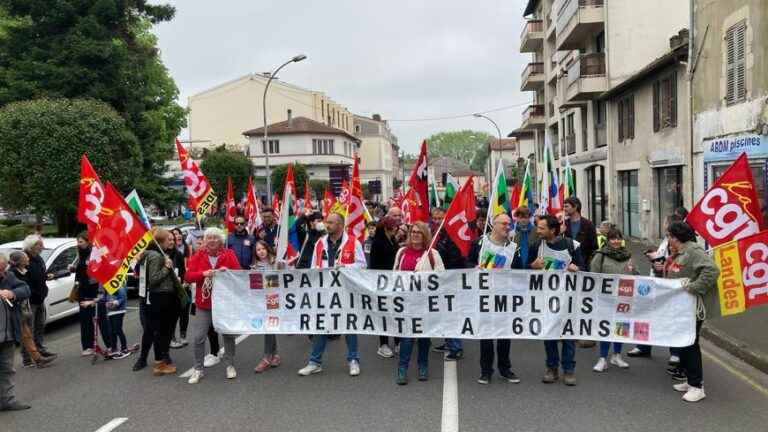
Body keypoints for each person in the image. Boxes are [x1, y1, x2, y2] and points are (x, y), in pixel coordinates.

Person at [298, 212, 366, 377]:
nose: (327, 225)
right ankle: (315, 362)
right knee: (321, 325)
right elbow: (314, 266)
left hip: (345, 291)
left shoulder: (353, 242)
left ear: (341, 225)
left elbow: (362, 266)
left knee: (350, 326)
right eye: (326, 222)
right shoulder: (320, 243)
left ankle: (353, 360)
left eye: (331, 222)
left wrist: (345, 268)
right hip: (326, 291)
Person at [665, 222, 719, 403]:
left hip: (691, 308)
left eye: (669, 235)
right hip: (682, 308)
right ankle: (690, 380)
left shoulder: (693, 251)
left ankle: (697, 386)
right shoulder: (681, 252)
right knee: (683, 343)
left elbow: (712, 270)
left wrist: (694, 288)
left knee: (690, 344)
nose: (667, 239)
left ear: (675, 237)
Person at [468, 214, 521, 385]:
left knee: (504, 334)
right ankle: (486, 371)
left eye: (509, 224)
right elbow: (466, 263)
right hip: (483, 296)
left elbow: (520, 271)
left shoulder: (513, 248)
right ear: (494, 225)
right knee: (486, 334)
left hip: (505, 297)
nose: (507, 226)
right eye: (504, 223)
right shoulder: (479, 244)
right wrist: (474, 268)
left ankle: (505, 369)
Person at [530, 214, 584, 386]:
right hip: (547, 298)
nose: (537, 230)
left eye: (541, 228)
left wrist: (577, 268)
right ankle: (551, 368)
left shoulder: (571, 245)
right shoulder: (536, 245)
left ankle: (568, 370)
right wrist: (533, 266)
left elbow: (583, 268)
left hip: (568, 298)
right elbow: (524, 270)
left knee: (568, 334)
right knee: (550, 333)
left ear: (552, 230)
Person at [185, 228, 241, 384]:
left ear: (221, 240)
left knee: (228, 335)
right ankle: (198, 369)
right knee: (198, 337)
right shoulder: (198, 256)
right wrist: (203, 274)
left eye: (215, 238)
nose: (211, 240)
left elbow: (238, 273)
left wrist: (227, 272)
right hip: (204, 303)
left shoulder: (229, 254)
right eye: (208, 238)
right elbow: (188, 276)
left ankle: (230, 365)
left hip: (224, 302)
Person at [628, 213, 684, 365]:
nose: (663, 225)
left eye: (665, 223)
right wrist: (654, 260)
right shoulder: (665, 241)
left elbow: (680, 263)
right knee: (647, 315)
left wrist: (663, 264)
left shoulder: (680, 243)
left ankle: (675, 353)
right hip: (656, 282)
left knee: (671, 319)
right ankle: (643, 346)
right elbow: (661, 258)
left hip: (669, 286)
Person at [394, 221, 443, 385]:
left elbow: (441, 278)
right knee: (407, 338)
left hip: (425, 302)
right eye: (413, 232)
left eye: (419, 232)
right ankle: (402, 369)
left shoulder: (432, 254)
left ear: (425, 235)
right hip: (406, 302)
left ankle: (423, 366)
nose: (415, 234)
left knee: (424, 337)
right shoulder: (402, 252)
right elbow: (394, 274)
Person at [136, 229, 182, 376]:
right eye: (169, 239)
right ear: (161, 241)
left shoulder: (151, 254)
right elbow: (154, 279)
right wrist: (167, 268)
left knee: (158, 331)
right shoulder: (156, 256)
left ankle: (159, 362)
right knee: (159, 331)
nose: (172, 242)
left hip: (159, 297)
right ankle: (159, 364)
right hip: (160, 296)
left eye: (172, 239)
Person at [590, 227, 636, 372]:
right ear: (608, 240)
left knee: (621, 327)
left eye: (618, 238)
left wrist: (632, 270)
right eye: (613, 238)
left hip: (624, 297)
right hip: (605, 299)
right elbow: (593, 276)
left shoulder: (628, 256)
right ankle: (602, 358)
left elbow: (637, 275)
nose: (616, 241)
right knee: (605, 327)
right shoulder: (600, 255)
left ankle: (617, 355)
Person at [9, 251, 56, 368]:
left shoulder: (24, 271)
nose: (28, 260)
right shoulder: (12, 274)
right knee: (26, 334)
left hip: (26, 305)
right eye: (26, 258)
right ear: (19, 261)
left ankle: (36, 359)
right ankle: (29, 360)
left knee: (28, 333)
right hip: (17, 308)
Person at [0, 253, 32, 411]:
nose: (1, 273)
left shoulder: (9, 276)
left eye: (2, 269)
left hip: (8, 334)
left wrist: (12, 293)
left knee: (7, 369)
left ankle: (7, 401)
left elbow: (25, 289)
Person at [370, 208, 403, 358]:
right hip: (383, 284)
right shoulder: (377, 243)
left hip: (394, 283)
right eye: (393, 228)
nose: (395, 230)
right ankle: (383, 344)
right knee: (384, 315)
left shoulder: (393, 240)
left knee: (396, 313)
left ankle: (397, 342)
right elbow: (375, 266)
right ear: (386, 229)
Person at [20, 235, 55, 364]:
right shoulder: (24, 259)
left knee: (40, 326)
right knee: (28, 330)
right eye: (39, 245)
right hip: (30, 300)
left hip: (40, 298)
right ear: (31, 246)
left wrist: (46, 276)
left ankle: (40, 349)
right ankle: (27, 358)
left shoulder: (38, 258)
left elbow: (39, 275)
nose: (42, 247)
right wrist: (33, 293)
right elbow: (24, 280)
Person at [252, 240, 283, 373]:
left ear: (268, 249)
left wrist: (282, 267)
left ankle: (266, 357)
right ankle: (275, 355)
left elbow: (286, 279)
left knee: (269, 327)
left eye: (263, 248)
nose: (261, 251)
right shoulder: (254, 266)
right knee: (270, 326)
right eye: (258, 250)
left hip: (275, 299)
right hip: (261, 301)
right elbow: (254, 286)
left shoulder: (277, 262)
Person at [72, 232, 101, 357]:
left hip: (93, 289)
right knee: (85, 319)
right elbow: (79, 270)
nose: (78, 244)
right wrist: (73, 268)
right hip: (82, 290)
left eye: (81, 242)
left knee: (100, 318)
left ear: (88, 241)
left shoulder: (96, 252)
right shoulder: (79, 254)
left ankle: (110, 344)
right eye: (78, 242)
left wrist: (93, 266)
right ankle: (87, 346)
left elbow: (101, 268)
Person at [170, 228, 191, 349]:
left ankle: (183, 336)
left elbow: (183, 272)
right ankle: (171, 337)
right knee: (173, 315)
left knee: (184, 313)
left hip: (183, 288)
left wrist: (186, 282)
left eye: (175, 237)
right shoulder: (164, 254)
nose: (173, 240)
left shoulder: (179, 253)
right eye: (171, 238)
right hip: (171, 291)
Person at [563, 197, 598, 268]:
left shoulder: (588, 225)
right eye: (563, 206)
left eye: (566, 206)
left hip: (583, 266)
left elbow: (594, 248)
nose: (564, 209)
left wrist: (588, 264)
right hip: (566, 266)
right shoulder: (563, 224)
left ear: (575, 207)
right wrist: (560, 232)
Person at [105, 284, 130, 358]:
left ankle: (124, 348)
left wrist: (115, 302)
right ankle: (114, 348)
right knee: (111, 331)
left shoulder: (118, 286)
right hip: (110, 312)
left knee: (118, 329)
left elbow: (123, 297)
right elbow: (105, 298)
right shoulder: (107, 286)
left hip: (119, 311)